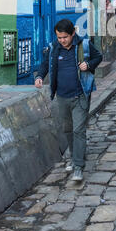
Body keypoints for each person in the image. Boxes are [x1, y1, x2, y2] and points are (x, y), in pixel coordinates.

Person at [35, 19, 102, 182]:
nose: (62, 40)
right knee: (68, 129)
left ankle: (78, 166)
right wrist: (39, 76)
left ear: (72, 34)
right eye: (59, 37)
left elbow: (98, 57)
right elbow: (45, 65)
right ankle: (74, 155)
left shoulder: (84, 45)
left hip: (80, 95)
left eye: (65, 37)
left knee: (79, 130)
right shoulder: (53, 48)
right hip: (62, 97)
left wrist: (88, 64)